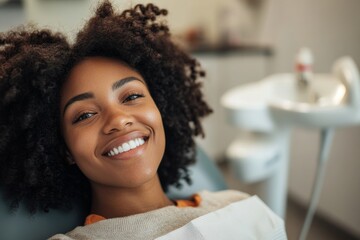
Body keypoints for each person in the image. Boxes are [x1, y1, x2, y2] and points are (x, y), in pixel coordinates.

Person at [0, 1, 286, 239]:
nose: (119, 119)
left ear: (159, 108)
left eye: (131, 96)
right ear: (64, 150)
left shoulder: (235, 202)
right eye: (85, 114)